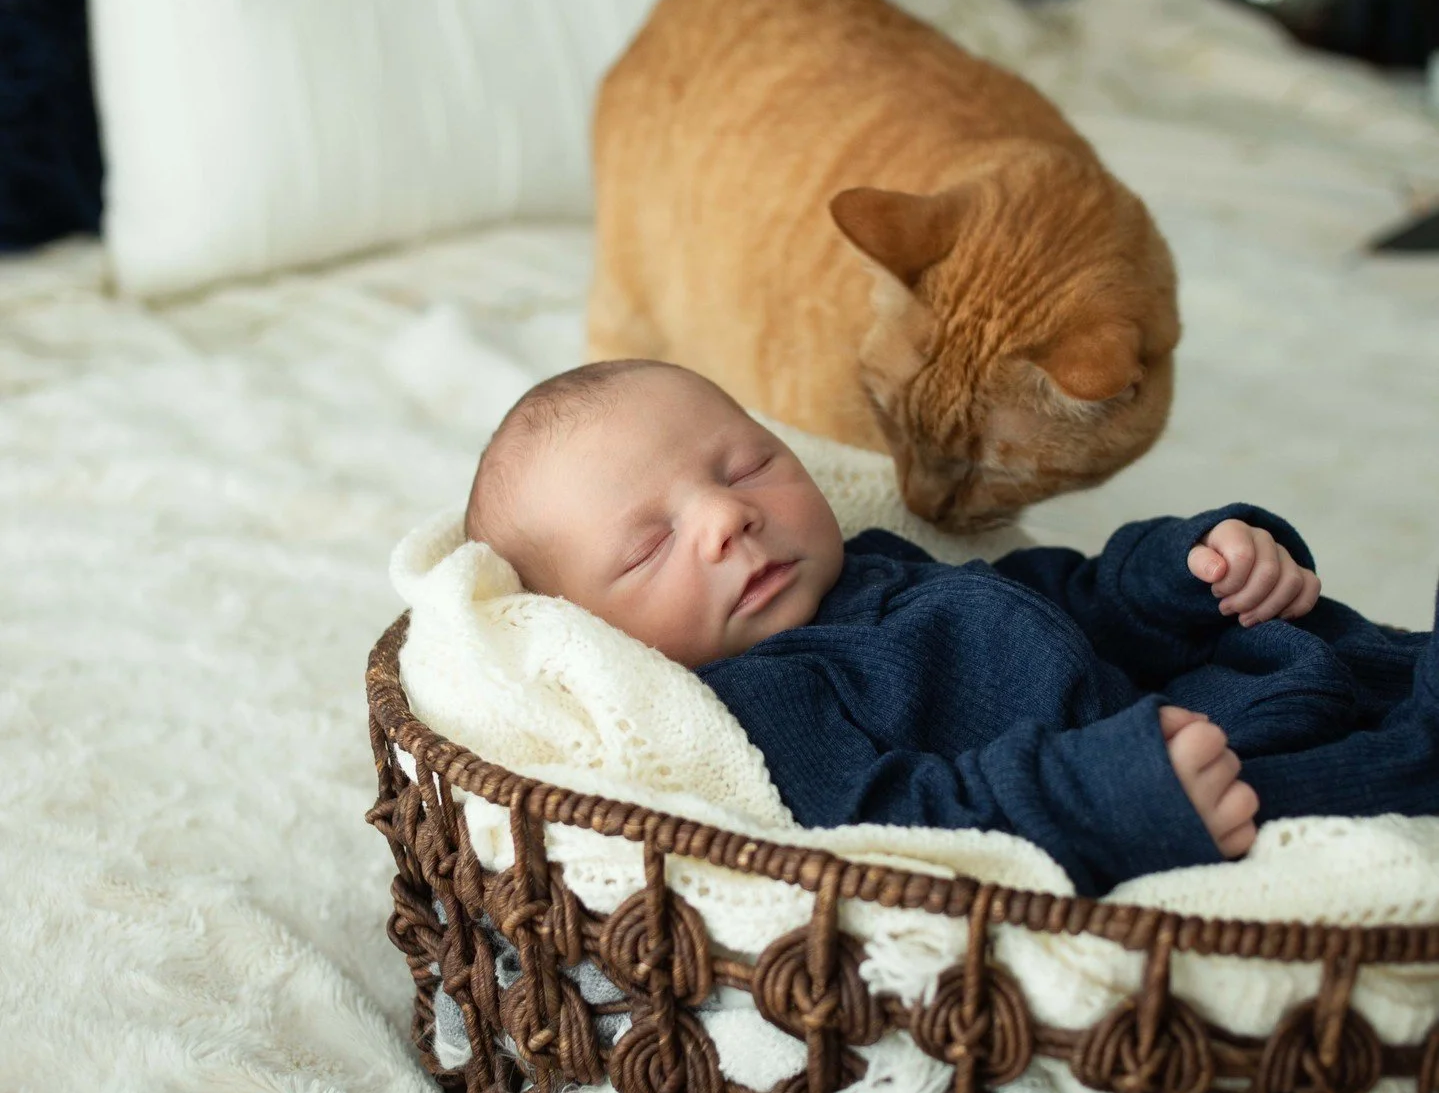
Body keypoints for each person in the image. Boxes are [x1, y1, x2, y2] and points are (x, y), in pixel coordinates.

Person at [465, 359, 1438, 895]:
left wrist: (1180, 571)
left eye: (742, 465)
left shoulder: (864, 567)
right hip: (1197, 781)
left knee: (1355, 652)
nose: (727, 519)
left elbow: (1048, 593)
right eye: (647, 546)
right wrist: (1102, 803)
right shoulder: (758, 707)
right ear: (582, 632)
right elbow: (898, 832)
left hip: (1209, 691)